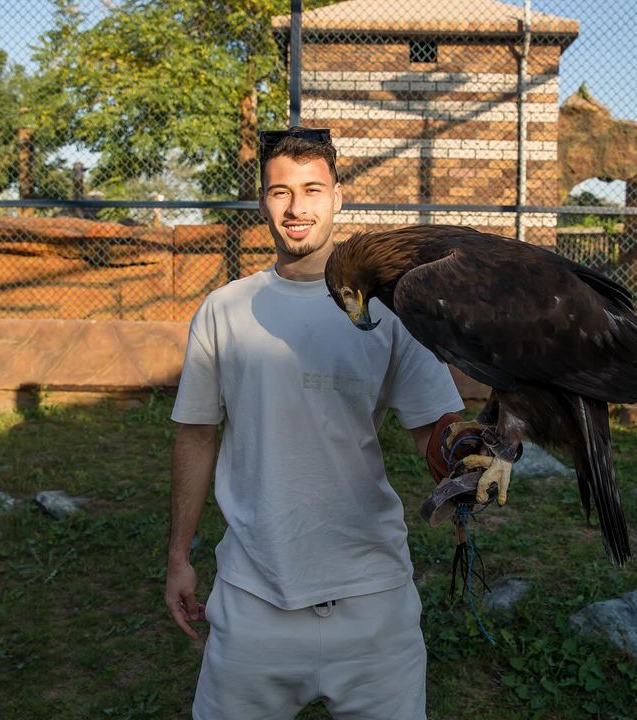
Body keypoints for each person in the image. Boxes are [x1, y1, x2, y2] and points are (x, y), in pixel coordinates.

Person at [164, 126, 465, 719]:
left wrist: (468, 458)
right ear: (262, 203)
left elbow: (435, 426)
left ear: (338, 198)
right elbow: (196, 434)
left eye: (312, 189)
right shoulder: (225, 310)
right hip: (253, 600)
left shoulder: (390, 311)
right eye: (280, 192)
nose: (296, 208)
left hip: (372, 602)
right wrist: (179, 556)